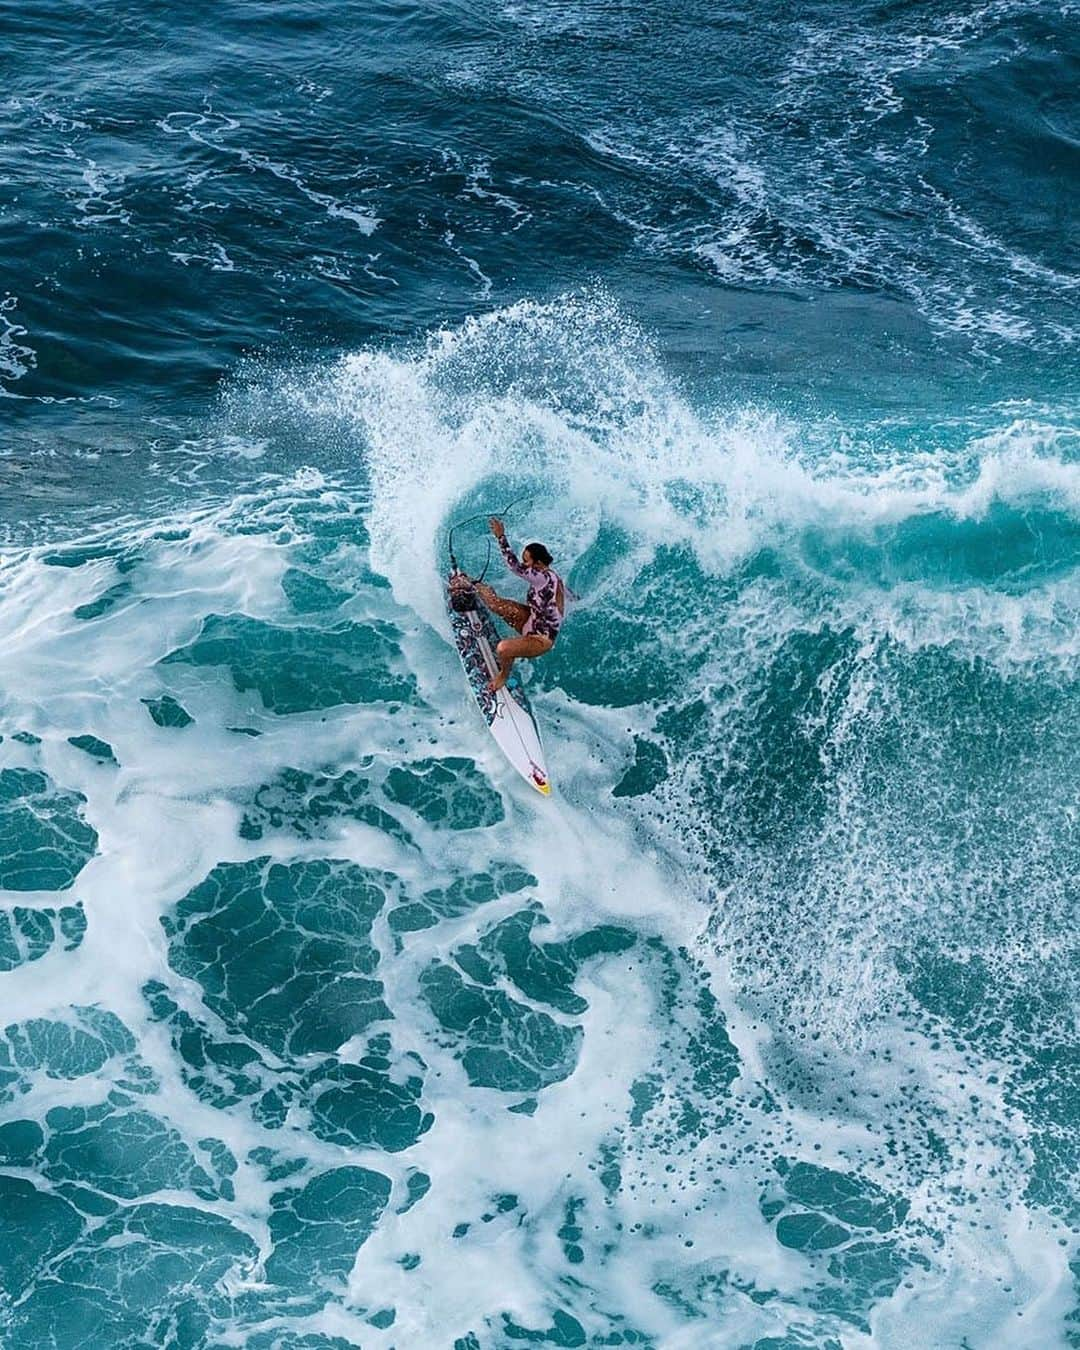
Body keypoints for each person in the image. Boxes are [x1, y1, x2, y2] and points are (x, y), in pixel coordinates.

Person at [474, 516, 565, 692]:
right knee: (494, 604)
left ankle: (503, 675)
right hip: (531, 620)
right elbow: (562, 593)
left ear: (538, 563)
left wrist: (501, 537)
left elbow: (514, 566)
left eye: (527, 561)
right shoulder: (551, 576)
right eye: (524, 560)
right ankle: (471, 584)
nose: (525, 565)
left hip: (540, 640)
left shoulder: (542, 577)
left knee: (502, 649)